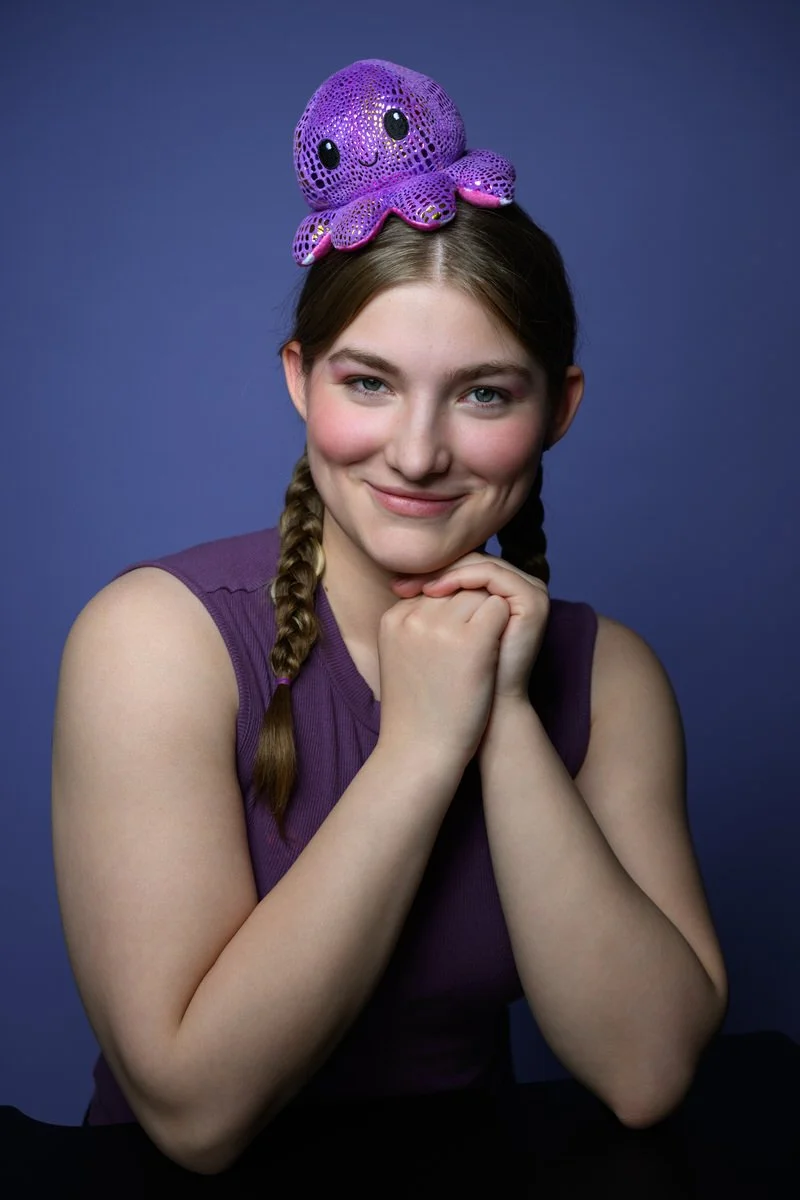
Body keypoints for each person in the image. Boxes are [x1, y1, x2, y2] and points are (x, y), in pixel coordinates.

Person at [51, 59, 729, 1176]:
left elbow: (645, 1072)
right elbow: (193, 1114)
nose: (415, 453)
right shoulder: (153, 641)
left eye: (482, 393)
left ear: (555, 408)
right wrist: (416, 747)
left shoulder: (607, 677)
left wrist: (497, 712)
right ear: (297, 379)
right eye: (366, 382)